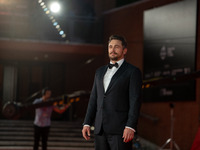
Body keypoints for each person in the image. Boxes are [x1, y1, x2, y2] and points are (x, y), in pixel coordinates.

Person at [82, 35, 142, 150]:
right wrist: (87, 123)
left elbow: (135, 101)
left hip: (120, 130)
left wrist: (130, 126)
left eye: (116, 47)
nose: (112, 50)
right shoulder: (99, 72)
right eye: (110, 47)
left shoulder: (133, 72)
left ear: (124, 50)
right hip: (100, 129)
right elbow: (94, 98)